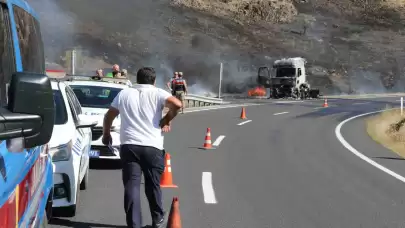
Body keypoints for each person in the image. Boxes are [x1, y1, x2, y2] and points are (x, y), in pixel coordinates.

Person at [102, 67, 182, 228]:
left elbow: (109, 114)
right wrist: (167, 118)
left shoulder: (125, 93)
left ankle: (134, 224)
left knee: (132, 186)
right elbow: (177, 104)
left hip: (129, 146)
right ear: (153, 80)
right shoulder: (158, 93)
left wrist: (106, 134)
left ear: (137, 79)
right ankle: (158, 218)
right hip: (152, 146)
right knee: (152, 184)